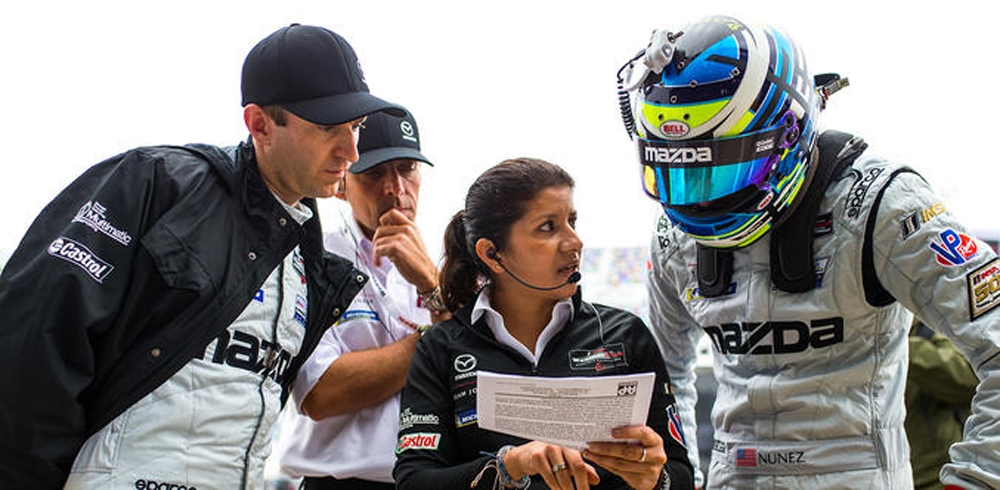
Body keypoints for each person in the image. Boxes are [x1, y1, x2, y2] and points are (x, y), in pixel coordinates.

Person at [0, 23, 406, 489]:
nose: (351, 151)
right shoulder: (156, 184)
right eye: (329, 127)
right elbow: (33, 339)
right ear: (259, 124)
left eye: (356, 127)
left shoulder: (311, 256)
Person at [615, 14, 1000, 489]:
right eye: (682, 171)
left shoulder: (880, 204)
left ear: (789, 134)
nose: (701, 198)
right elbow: (663, 379)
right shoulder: (674, 236)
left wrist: (972, 480)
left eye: (722, 167)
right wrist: (676, 478)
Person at [393, 157, 695, 490]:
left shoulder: (626, 334)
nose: (574, 242)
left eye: (572, 222)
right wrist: (509, 466)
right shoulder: (441, 348)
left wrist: (656, 478)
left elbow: (679, 475)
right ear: (492, 254)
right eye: (548, 227)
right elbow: (413, 481)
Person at [274, 108, 449, 489]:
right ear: (341, 185)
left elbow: (474, 374)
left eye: (407, 169)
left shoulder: (448, 262)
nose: (395, 189)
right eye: (374, 173)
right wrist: (433, 339)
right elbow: (321, 393)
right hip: (337, 480)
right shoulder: (312, 258)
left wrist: (430, 285)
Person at [906, 320, 979, 490]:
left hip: (938, 477)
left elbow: (968, 381)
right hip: (883, 476)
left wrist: (902, 348)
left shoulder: (935, 326)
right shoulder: (856, 341)